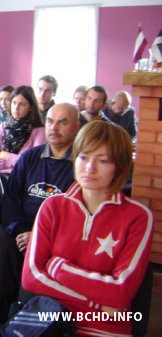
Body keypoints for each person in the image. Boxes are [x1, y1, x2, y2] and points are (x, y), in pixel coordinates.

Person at [22, 120, 153, 337]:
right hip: (52, 320)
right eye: (83, 157)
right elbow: (31, 277)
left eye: (102, 161)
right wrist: (98, 305)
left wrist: (57, 268)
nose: (89, 168)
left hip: (106, 328)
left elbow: (121, 292)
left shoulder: (138, 217)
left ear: (119, 167)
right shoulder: (52, 206)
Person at [2, 103, 81, 275]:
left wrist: (39, 237)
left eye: (63, 123)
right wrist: (21, 231)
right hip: (20, 236)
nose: (54, 128)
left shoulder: (81, 164)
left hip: (58, 244)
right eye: (50, 121)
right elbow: (10, 198)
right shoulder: (30, 157)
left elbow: (77, 217)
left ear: (76, 128)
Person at [0, 86, 46, 175]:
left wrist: (6, 156)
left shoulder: (39, 131)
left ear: (31, 107)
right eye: (14, 103)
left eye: (22, 104)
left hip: (23, 181)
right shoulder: (3, 126)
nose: (16, 107)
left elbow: (32, 163)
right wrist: (16, 161)